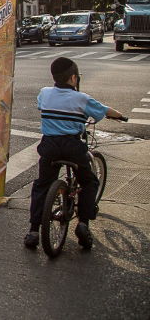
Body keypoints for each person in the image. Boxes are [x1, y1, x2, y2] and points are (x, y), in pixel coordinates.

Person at [23, 57, 124, 250]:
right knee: (88, 182)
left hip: (49, 146)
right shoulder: (82, 99)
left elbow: (40, 106)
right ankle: (83, 223)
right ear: (73, 78)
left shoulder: (44, 93)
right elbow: (105, 111)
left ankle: (34, 230)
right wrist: (120, 116)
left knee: (42, 185)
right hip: (73, 147)